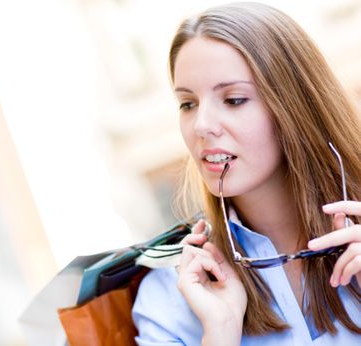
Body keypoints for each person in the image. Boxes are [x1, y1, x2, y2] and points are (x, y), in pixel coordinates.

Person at [132, 2, 361, 345]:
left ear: (296, 106)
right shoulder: (170, 296)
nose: (202, 125)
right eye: (187, 104)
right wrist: (220, 333)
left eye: (234, 99)